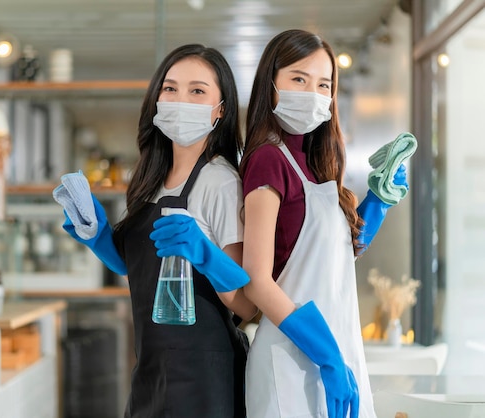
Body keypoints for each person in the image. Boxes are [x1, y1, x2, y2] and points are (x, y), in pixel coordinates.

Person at [54, 43, 256, 417]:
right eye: (170, 88)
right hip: (151, 368)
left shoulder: (220, 181)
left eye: (197, 90)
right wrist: (97, 235)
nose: (181, 98)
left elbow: (246, 302)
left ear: (220, 109)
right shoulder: (149, 177)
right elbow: (141, 269)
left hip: (205, 377)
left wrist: (205, 253)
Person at [239, 29, 409, 418]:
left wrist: (378, 201)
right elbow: (257, 279)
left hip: (336, 346)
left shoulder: (319, 167)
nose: (313, 94)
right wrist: (328, 357)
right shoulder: (269, 160)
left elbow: (334, 262)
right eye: (298, 79)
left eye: (323, 84)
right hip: (292, 359)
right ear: (272, 83)